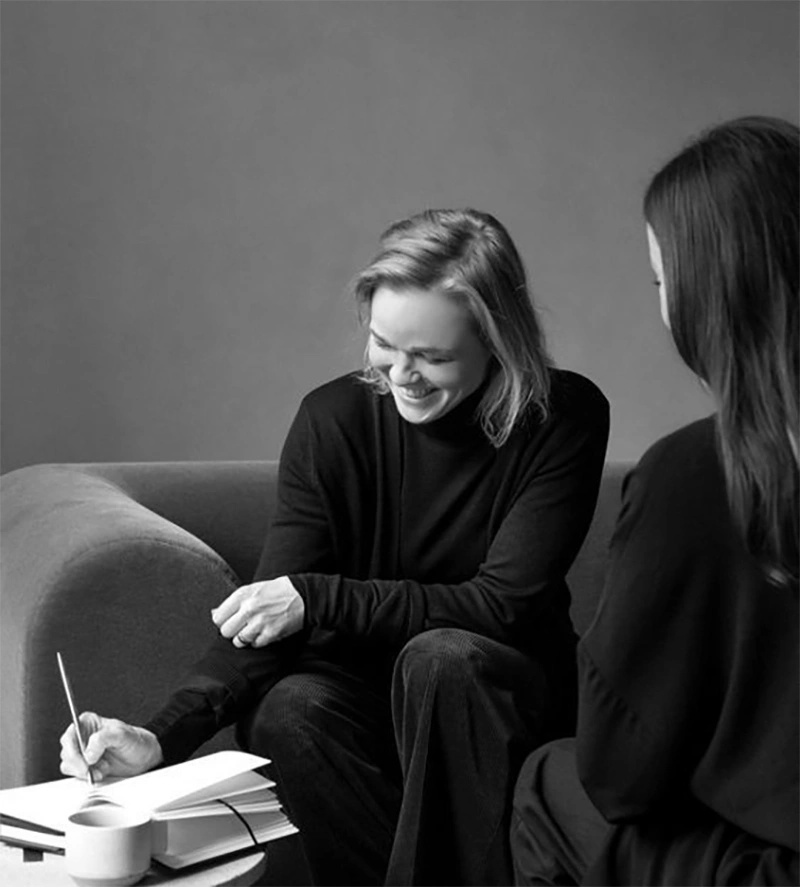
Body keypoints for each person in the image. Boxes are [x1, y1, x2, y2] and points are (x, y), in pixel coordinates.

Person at [60, 207, 610, 885]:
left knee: (442, 659)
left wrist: (316, 598)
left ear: (498, 343)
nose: (402, 374)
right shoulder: (334, 418)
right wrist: (159, 737)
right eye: (385, 344)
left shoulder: (562, 416)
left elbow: (504, 605)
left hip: (496, 701)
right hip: (367, 713)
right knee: (288, 708)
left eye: (433, 356)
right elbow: (267, 617)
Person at [511, 116, 799, 886]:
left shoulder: (695, 471)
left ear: (710, 292)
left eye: (661, 281)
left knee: (549, 782)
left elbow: (620, 775)